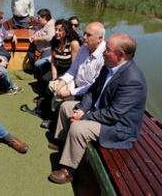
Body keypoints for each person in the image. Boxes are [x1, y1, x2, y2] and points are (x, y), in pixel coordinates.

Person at [48, 33, 147, 184]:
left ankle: (68, 171)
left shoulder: (133, 80)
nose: (103, 52)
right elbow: (92, 91)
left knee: (79, 129)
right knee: (67, 107)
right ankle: (62, 143)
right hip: (101, 111)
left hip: (119, 126)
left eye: (107, 50)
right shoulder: (109, 67)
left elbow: (113, 114)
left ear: (120, 55)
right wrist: (81, 109)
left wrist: (84, 117)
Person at [48, 22, 106, 118]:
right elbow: (73, 70)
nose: (83, 37)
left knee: (64, 96)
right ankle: (54, 117)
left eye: (88, 35)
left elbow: (93, 85)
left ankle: (58, 119)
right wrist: (62, 82)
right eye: (84, 33)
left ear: (99, 39)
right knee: (55, 87)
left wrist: (71, 92)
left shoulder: (104, 56)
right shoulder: (84, 48)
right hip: (76, 84)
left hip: (89, 93)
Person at [28, 8, 56, 80]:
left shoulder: (51, 26)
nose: (37, 19)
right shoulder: (41, 23)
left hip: (47, 49)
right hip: (38, 47)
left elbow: (50, 37)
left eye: (39, 17)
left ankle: (41, 76)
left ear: (45, 18)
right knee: (30, 54)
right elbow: (38, 30)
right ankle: (36, 72)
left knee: (41, 64)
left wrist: (36, 39)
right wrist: (33, 36)